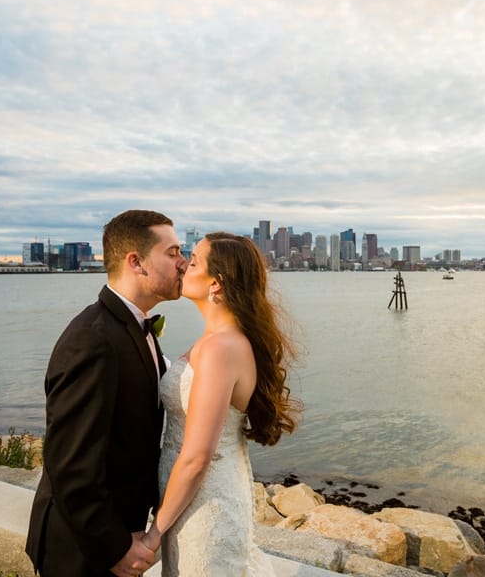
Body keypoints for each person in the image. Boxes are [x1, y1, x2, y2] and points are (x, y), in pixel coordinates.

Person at [25, 210, 187, 577]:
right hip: (82, 551)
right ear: (137, 262)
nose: (184, 263)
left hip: (117, 529)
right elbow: (70, 463)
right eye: (173, 252)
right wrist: (114, 548)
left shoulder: (133, 328)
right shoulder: (93, 340)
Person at [142, 232, 301, 575]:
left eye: (194, 261)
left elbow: (198, 457)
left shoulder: (221, 348)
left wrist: (154, 533)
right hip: (189, 501)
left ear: (216, 282)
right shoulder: (217, 340)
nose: (183, 263)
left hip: (205, 506)